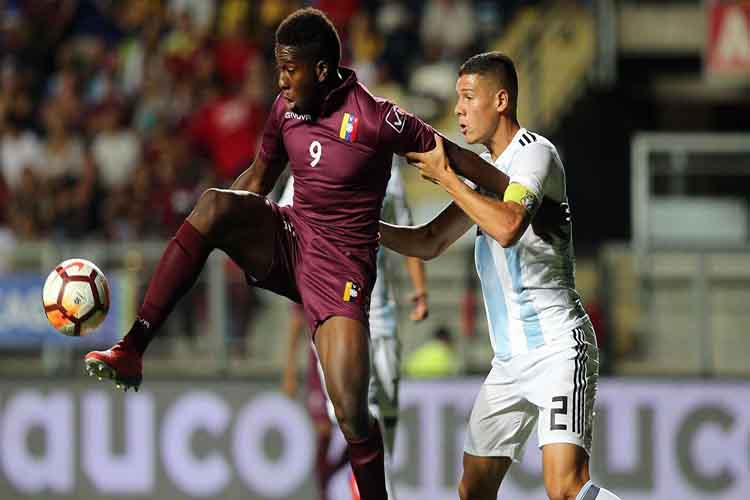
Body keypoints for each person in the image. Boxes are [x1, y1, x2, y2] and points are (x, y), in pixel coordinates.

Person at [83, 9, 514, 500]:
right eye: (278, 68)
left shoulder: (377, 118)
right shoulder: (285, 109)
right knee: (212, 204)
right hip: (291, 239)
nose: (281, 80)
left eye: (290, 70)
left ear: (322, 70)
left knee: (351, 411)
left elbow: (456, 159)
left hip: (343, 270)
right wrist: (220, 232)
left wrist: (518, 188)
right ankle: (134, 347)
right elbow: (257, 182)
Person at [379, 52, 621, 500]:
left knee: (565, 488)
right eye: (457, 99)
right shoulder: (487, 181)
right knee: (474, 489)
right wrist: (362, 228)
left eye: (469, 98)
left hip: (557, 349)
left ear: (502, 100)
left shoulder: (536, 155)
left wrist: (448, 180)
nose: (459, 110)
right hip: (509, 363)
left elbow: (509, 226)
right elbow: (430, 240)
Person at [280, 162, 429, 500]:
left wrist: (419, 291)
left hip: (384, 317)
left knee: (385, 422)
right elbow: (287, 226)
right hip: (339, 318)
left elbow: (408, 231)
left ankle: (377, 490)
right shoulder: (312, 160)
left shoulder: (387, 170)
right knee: (363, 419)